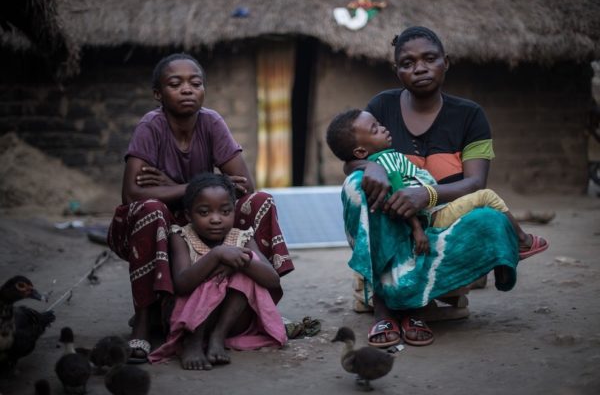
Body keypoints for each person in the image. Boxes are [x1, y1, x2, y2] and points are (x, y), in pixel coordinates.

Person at [340, 26, 534, 348]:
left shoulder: (470, 116)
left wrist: (425, 195)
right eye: (407, 62)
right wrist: (371, 165)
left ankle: (413, 297)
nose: (419, 68)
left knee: (493, 219)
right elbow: (353, 158)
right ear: (396, 70)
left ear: (446, 61)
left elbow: (475, 183)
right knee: (358, 184)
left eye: (429, 58)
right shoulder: (381, 106)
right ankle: (385, 309)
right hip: (392, 224)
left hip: (444, 224)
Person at [107, 53, 294, 363]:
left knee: (260, 202)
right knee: (151, 207)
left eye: (195, 83)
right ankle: (142, 322)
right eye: (175, 83)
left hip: (205, 212)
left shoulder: (211, 122)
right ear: (158, 94)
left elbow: (244, 186)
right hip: (160, 222)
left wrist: (175, 184)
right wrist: (192, 188)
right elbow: (132, 194)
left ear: (204, 90)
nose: (187, 89)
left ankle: (260, 307)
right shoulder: (150, 127)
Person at [326, 108, 549, 258]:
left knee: (483, 211)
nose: (383, 128)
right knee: (487, 197)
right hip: (432, 215)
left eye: (379, 124)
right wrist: (417, 231)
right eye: (375, 129)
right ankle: (522, 241)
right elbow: (400, 195)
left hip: (433, 208)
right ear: (362, 151)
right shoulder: (385, 162)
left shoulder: (384, 158)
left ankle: (503, 259)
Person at [148, 173, 287, 369]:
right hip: (189, 319)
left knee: (245, 263)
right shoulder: (181, 236)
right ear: (189, 215)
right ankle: (193, 341)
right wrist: (217, 255)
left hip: (231, 321)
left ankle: (217, 337)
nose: (215, 219)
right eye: (204, 213)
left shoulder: (242, 237)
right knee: (209, 274)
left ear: (234, 212)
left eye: (225, 212)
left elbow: (272, 279)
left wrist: (239, 262)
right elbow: (181, 284)